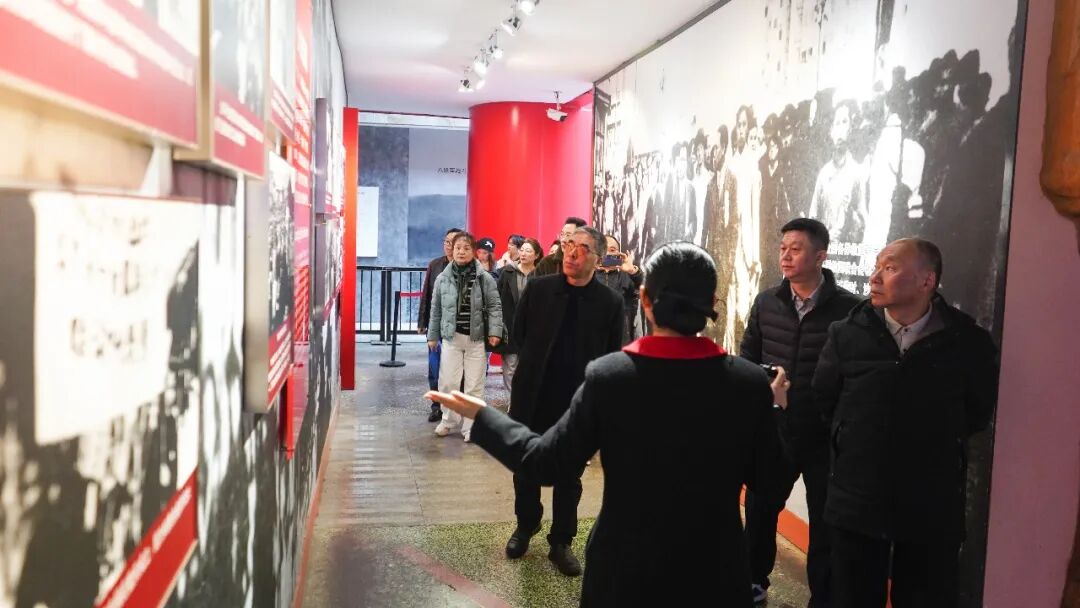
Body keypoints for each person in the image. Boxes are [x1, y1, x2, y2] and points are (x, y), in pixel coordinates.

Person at [426, 242, 786, 606]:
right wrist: (772, 406)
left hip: (624, 570)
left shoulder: (611, 378)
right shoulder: (747, 384)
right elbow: (772, 484)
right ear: (712, 302)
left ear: (645, 300)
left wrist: (483, 416)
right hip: (714, 572)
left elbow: (545, 464)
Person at [812, 238, 998, 608]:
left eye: (890, 268)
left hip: (931, 501)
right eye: (877, 266)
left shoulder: (967, 342)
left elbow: (976, 412)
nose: (875, 277)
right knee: (852, 595)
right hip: (857, 497)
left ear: (927, 281)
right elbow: (825, 399)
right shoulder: (847, 333)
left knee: (926, 596)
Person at [740, 218, 861, 607]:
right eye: (783, 248)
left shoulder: (849, 309)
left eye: (796, 249)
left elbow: (855, 373)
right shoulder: (767, 302)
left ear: (820, 255)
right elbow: (748, 357)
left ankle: (822, 597)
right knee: (760, 510)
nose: (786, 256)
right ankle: (753, 584)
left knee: (825, 521)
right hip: (775, 429)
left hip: (823, 435)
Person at [497, 226, 622, 576]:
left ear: (597, 258)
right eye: (569, 244)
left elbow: (611, 355)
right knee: (525, 468)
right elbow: (520, 333)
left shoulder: (609, 303)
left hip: (576, 402)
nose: (571, 252)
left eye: (582, 248)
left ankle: (561, 541)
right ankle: (526, 524)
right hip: (532, 395)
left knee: (569, 475)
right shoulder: (539, 289)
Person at [426, 232, 503, 442]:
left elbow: (495, 306)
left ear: (473, 252)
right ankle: (448, 420)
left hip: (476, 340)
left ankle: (471, 427)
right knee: (448, 382)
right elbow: (436, 309)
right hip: (451, 339)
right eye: (458, 247)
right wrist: (432, 335)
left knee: (474, 385)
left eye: (466, 248)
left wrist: (495, 331)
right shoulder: (442, 278)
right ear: (452, 250)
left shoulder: (485, 278)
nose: (461, 252)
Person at [418, 228, 462, 422]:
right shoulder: (435, 265)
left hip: (459, 328)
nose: (448, 246)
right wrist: (422, 322)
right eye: (446, 242)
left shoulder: (468, 267)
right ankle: (436, 406)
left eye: (453, 242)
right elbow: (426, 294)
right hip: (437, 326)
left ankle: (454, 405)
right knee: (434, 368)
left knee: (455, 371)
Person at [496, 237, 542, 392]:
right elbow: (497, 299)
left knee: (530, 367)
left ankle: (526, 400)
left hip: (533, 329)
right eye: (522, 250)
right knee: (510, 367)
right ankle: (512, 400)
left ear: (536, 255)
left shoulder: (541, 275)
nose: (523, 253)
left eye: (528, 251)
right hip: (510, 326)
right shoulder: (507, 272)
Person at [594, 234, 643, 345]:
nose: (608, 253)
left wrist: (632, 271)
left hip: (620, 340)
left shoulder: (626, 276)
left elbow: (647, 287)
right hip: (593, 339)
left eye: (612, 250)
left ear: (619, 253)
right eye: (604, 249)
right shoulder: (588, 275)